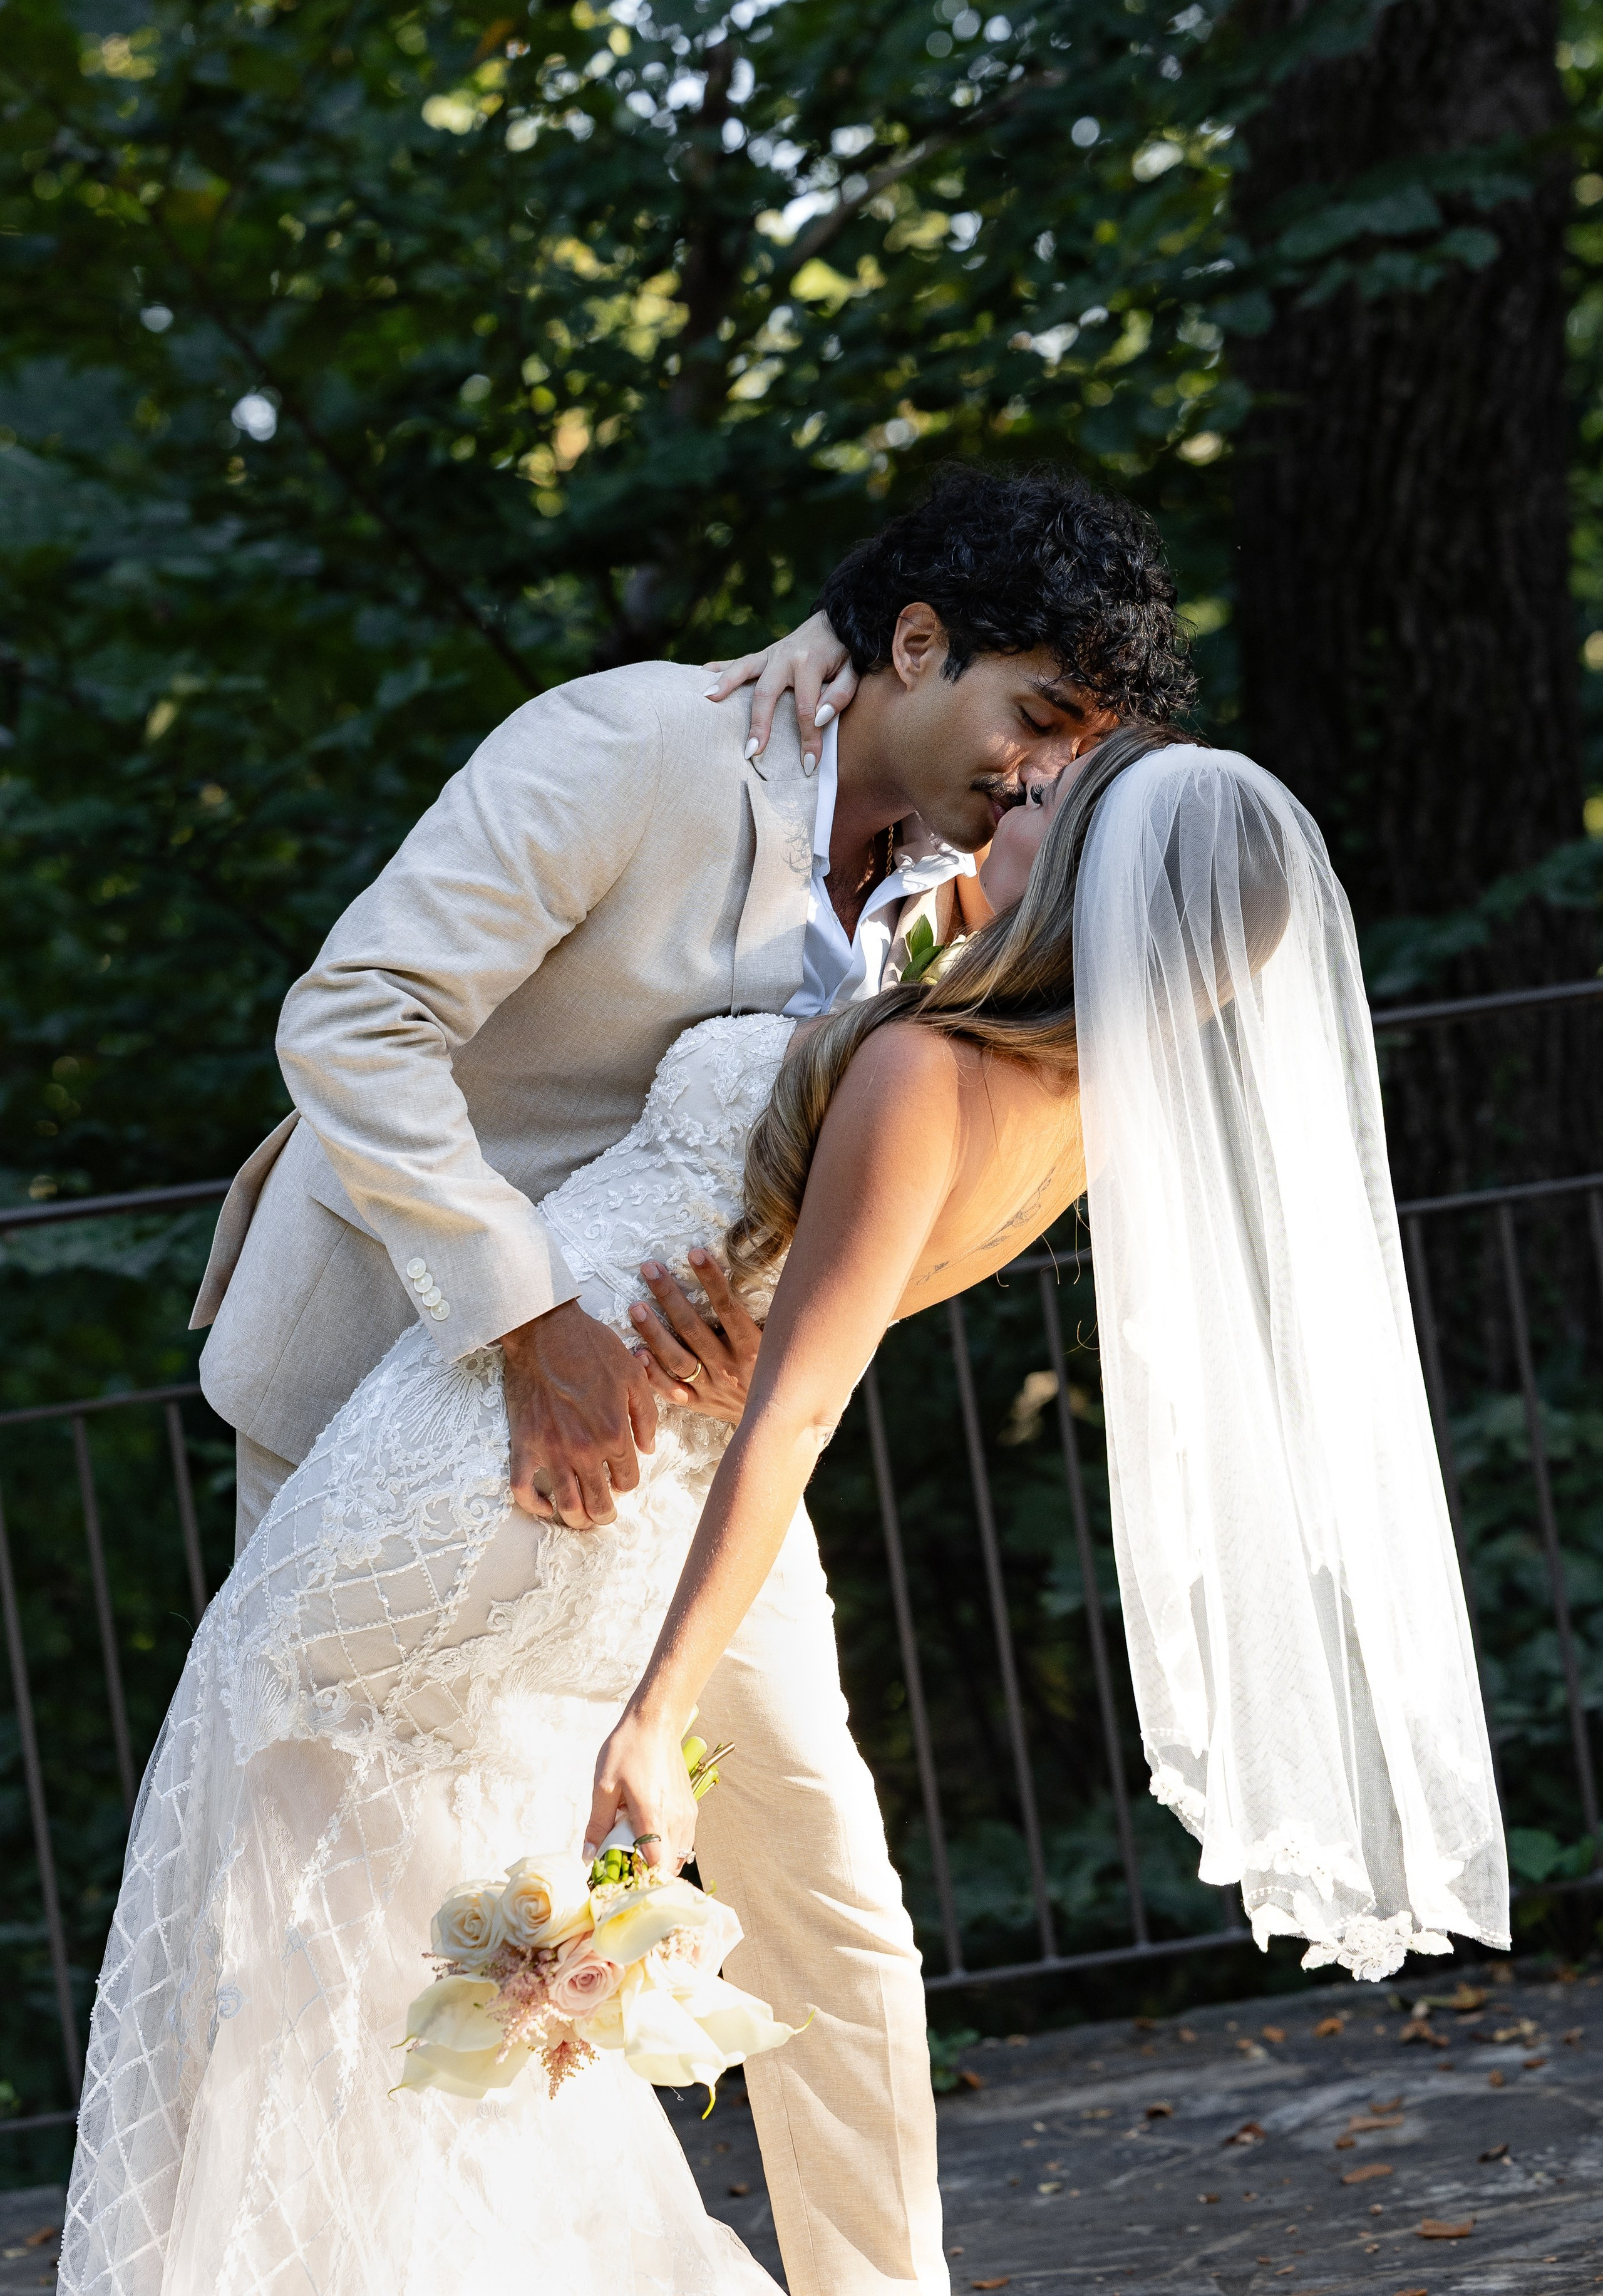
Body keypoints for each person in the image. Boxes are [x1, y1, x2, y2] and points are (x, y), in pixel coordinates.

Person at [60, 723, 1507, 2296]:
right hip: (569, 1466)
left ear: (1088, 882)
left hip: (498, 1465)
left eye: (1043, 801)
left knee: (309, 1891)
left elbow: (806, 1396)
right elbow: (838, 1300)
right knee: (388, 1933)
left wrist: (653, 1713)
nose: (1007, 798)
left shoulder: (920, 1062)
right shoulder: (1072, 1101)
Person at [141, 465, 1192, 2296]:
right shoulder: (636, 745)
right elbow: (355, 1016)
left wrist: (760, 1349)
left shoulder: (970, 892)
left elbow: (898, 1189)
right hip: (399, 1400)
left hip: (692, 1441)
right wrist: (527, 1318)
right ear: (915, 645)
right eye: (1033, 716)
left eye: (1075, 747)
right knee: (370, 1902)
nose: (1041, 773)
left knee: (827, 1886)